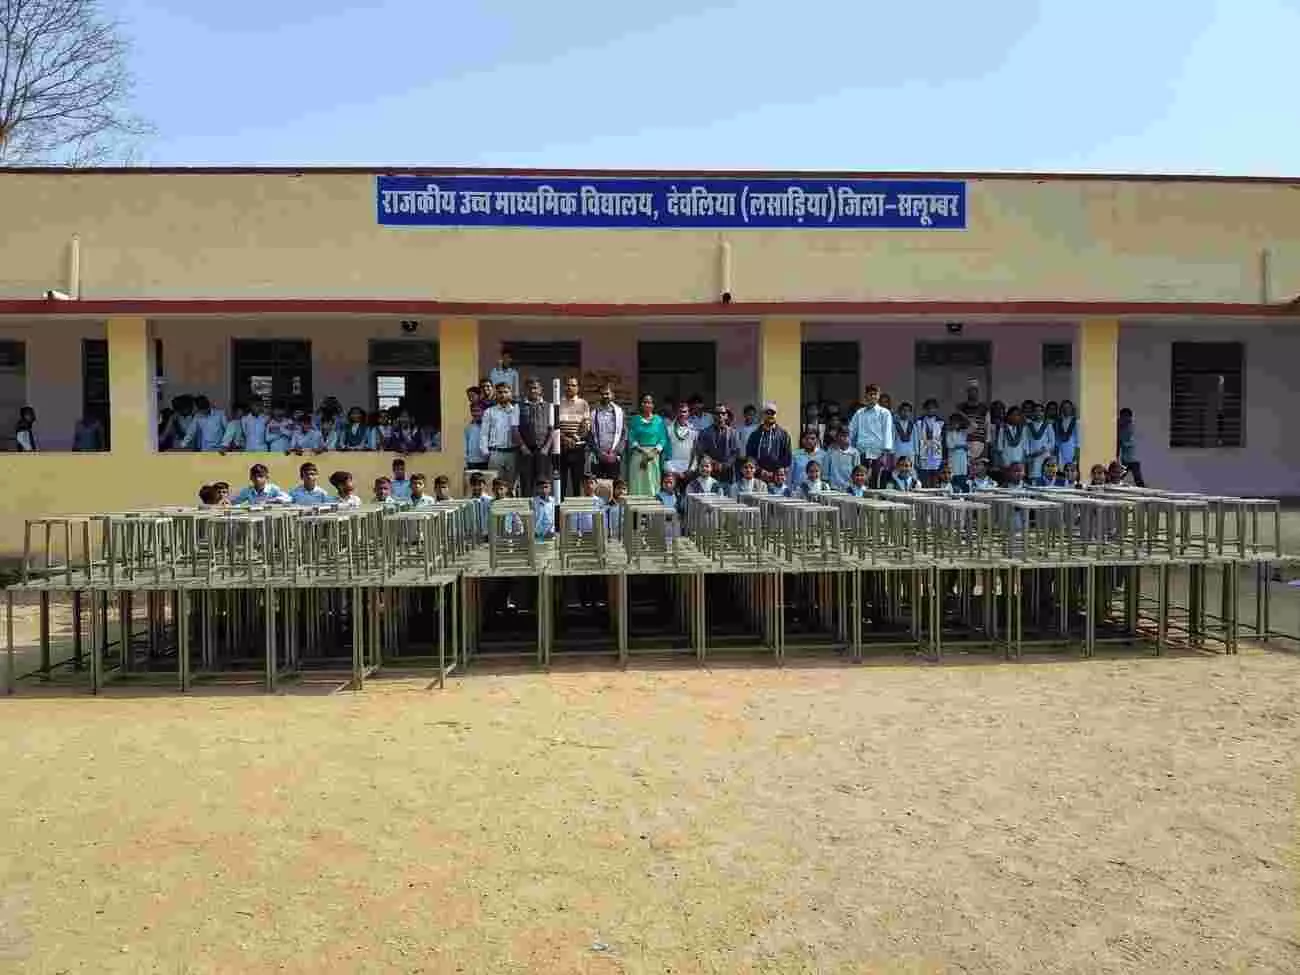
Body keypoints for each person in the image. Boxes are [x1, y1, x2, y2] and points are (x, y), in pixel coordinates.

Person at [847, 384, 893, 487]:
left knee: (877, 481)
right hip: (862, 451)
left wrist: (885, 452)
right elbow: (851, 430)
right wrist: (849, 447)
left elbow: (887, 432)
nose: (872, 397)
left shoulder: (884, 412)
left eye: (875, 394)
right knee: (861, 480)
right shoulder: (859, 413)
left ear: (878, 396)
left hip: (878, 452)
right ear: (865, 396)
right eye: (870, 394)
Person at [480, 382, 521, 491]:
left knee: (511, 486)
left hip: (513, 453)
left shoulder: (516, 410)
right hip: (495, 453)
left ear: (510, 393)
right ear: (496, 394)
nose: (503, 395)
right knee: (494, 485)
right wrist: (485, 451)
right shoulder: (489, 411)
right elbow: (484, 433)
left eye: (505, 392)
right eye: (500, 392)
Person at [517, 377, 555, 497]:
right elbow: (514, 429)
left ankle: (543, 508)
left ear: (541, 390)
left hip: (543, 451)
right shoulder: (518, 407)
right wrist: (523, 447)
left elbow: (552, 429)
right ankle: (527, 509)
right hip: (526, 451)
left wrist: (546, 448)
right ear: (526, 390)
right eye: (530, 388)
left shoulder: (549, 406)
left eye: (535, 388)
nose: (533, 391)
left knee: (543, 484)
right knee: (526, 484)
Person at [626, 394, 668, 496]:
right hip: (638, 454)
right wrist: (642, 450)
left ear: (653, 405)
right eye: (644, 402)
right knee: (637, 483)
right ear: (641, 404)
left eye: (649, 402)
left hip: (653, 456)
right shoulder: (635, 420)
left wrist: (653, 452)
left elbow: (663, 438)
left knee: (652, 483)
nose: (647, 405)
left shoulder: (659, 420)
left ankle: (652, 505)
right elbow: (631, 437)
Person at [557, 376, 591, 497]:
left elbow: (586, 425)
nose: (570, 387)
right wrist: (564, 438)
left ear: (578, 388)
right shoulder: (558, 403)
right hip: (561, 447)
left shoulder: (583, 404)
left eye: (573, 385)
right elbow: (554, 425)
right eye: (568, 385)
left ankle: (577, 508)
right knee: (560, 483)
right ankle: (559, 508)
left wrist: (576, 437)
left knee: (577, 482)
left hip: (577, 447)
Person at [693, 404, 742, 485]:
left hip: (727, 472)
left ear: (726, 415)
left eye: (723, 413)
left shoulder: (733, 433)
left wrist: (724, 465)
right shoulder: (704, 432)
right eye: (717, 413)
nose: (720, 415)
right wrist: (713, 463)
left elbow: (735, 453)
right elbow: (700, 451)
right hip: (709, 471)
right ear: (713, 415)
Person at [745, 402, 792, 485]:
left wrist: (776, 473)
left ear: (776, 415)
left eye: (772, 413)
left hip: (777, 479)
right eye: (767, 413)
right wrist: (761, 471)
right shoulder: (755, 435)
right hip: (758, 477)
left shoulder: (784, 434)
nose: (770, 415)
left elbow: (787, 459)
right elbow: (750, 456)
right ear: (763, 415)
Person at [664, 401, 698, 486]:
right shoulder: (668, 430)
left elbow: (695, 452)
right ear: (676, 412)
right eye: (680, 411)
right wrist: (672, 471)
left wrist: (692, 469)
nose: (682, 414)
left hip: (688, 471)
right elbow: (665, 453)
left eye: (684, 412)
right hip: (672, 471)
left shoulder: (693, 430)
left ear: (688, 413)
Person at [915, 398, 945, 488]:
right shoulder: (919, 422)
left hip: (935, 452)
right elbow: (916, 438)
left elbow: (943, 439)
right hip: (923, 451)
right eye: (928, 408)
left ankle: (934, 492)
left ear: (936, 409)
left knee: (934, 474)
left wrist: (944, 455)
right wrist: (916, 453)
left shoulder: (941, 422)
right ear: (925, 409)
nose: (931, 410)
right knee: (924, 474)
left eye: (933, 408)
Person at [1024, 402, 1057, 483]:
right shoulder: (1029, 426)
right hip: (1033, 456)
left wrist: (1044, 449)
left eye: (1040, 411)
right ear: (1033, 413)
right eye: (1036, 411)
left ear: (1043, 413)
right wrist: (1029, 453)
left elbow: (1052, 441)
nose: (1038, 413)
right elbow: (1026, 441)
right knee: (1033, 477)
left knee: (1044, 476)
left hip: (1044, 455)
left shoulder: (1048, 425)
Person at [823, 427, 860, 491]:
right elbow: (825, 471)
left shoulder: (855, 453)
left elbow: (857, 471)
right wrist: (826, 484)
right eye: (842, 436)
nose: (845, 438)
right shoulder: (831, 451)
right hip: (833, 487)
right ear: (837, 437)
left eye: (847, 436)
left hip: (849, 487)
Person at [1117, 408, 1144, 486]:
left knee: (1137, 478)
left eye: (1124, 417)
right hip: (1126, 458)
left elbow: (1123, 441)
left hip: (1133, 458)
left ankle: (1142, 489)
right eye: (1122, 417)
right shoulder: (1122, 426)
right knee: (1120, 476)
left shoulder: (1130, 427)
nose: (1123, 419)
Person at [996, 405, 1026, 474]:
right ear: (1008, 416)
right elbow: (999, 446)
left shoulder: (1023, 429)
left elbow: (1024, 446)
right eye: (1013, 415)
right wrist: (1002, 460)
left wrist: (1023, 460)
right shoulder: (1003, 428)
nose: (1015, 417)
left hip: (1019, 459)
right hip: (1006, 460)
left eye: (1017, 415)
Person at [944, 412, 970, 493]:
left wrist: (962, 415)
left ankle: (963, 496)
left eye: (957, 422)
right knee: (953, 477)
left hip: (962, 459)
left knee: (963, 478)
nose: (955, 424)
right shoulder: (949, 433)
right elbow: (950, 445)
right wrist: (962, 446)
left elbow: (974, 426)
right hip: (953, 458)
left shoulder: (963, 432)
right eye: (953, 422)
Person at [891, 401, 916, 475]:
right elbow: (892, 439)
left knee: (910, 470)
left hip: (910, 451)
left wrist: (916, 452)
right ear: (899, 411)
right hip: (898, 451)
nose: (905, 413)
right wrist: (892, 451)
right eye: (903, 410)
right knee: (897, 470)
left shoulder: (913, 425)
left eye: (908, 411)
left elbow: (915, 439)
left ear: (910, 413)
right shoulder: (894, 425)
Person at [1055, 399, 1079, 468]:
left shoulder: (1076, 421)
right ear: (1061, 409)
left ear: (1071, 409)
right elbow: (1057, 439)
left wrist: (1076, 454)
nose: (1066, 409)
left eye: (1068, 407)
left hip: (1072, 450)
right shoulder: (1058, 422)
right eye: (1064, 407)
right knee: (1061, 469)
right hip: (1061, 451)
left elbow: (1078, 440)